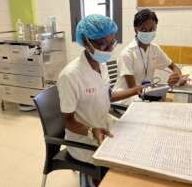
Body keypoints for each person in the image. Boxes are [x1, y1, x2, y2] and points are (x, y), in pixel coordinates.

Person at [57, 14, 142, 186]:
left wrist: (135, 90)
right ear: (86, 41)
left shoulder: (101, 66)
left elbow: (107, 95)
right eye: (102, 44)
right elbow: (67, 120)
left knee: (136, 146)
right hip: (83, 138)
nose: (108, 49)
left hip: (104, 125)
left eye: (112, 43)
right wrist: (91, 131)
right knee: (117, 167)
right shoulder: (70, 76)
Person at [113, 9, 183, 99]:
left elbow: (174, 67)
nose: (148, 33)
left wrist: (177, 77)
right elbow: (133, 89)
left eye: (152, 29)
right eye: (143, 29)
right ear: (135, 29)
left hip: (146, 94)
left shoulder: (155, 49)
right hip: (127, 98)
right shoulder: (127, 54)